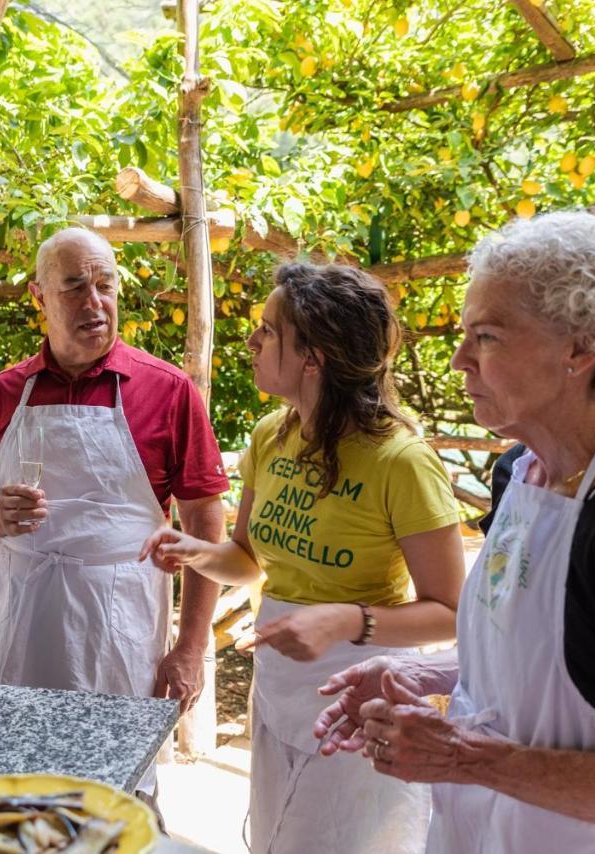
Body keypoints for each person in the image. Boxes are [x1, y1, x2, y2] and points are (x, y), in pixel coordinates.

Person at [316, 212, 595, 853]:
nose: (461, 359)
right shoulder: (520, 475)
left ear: (583, 347)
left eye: (487, 336)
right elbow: (552, 663)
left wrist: (462, 757)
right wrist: (426, 676)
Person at [140, 263, 464, 852]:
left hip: (362, 691)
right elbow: (246, 559)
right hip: (280, 683)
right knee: (278, 834)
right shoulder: (271, 436)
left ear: (312, 356)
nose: (252, 341)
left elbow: (451, 611)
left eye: (268, 330)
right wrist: (197, 553)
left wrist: (348, 620)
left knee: (352, 838)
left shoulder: (401, 460)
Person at [0, 227, 230, 795]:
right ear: (38, 296)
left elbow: (204, 525)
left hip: (118, 624)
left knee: (116, 789)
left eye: (106, 284)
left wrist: (190, 648)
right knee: (16, 780)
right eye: (74, 286)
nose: (95, 302)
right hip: (20, 612)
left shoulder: (168, 391)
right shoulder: (3, 393)